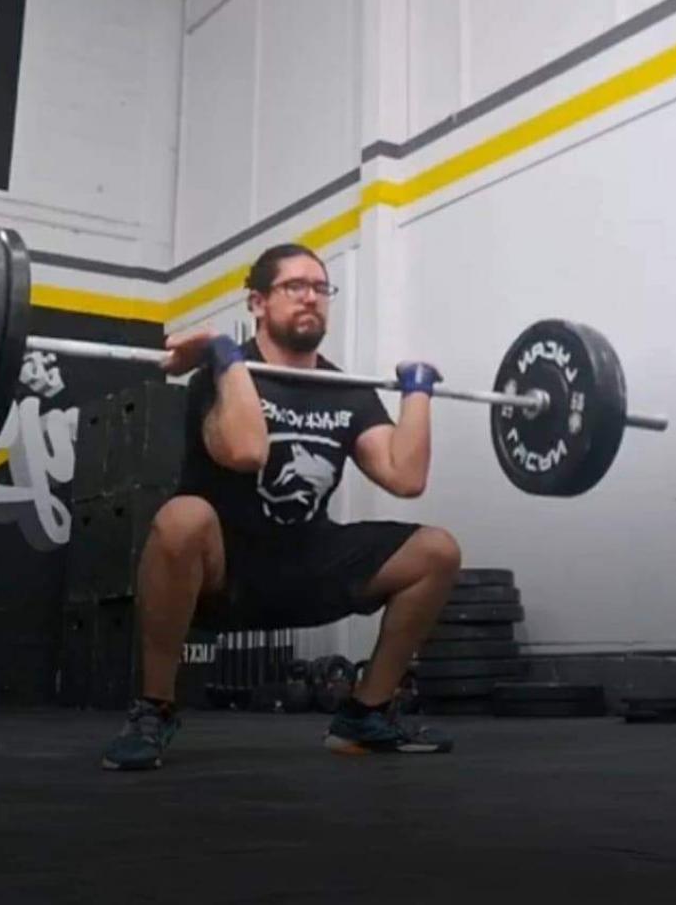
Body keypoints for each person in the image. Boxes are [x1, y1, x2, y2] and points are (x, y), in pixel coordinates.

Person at [101, 243, 462, 770]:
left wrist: (417, 391)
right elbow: (246, 451)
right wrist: (226, 356)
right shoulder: (217, 377)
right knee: (181, 518)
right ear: (257, 303)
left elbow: (404, 477)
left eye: (320, 287)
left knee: (437, 552)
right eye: (295, 286)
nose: (311, 297)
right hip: (224, 572)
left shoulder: (345, 389)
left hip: (306, 561)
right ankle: (153, 708)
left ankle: (367, 714)